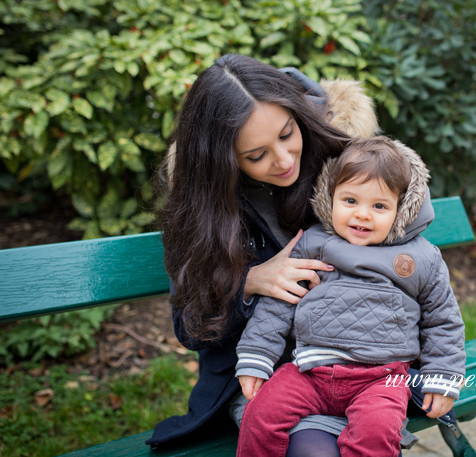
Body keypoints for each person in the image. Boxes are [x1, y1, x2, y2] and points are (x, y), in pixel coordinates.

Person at [146, 53, 380, 455]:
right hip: (265, 374)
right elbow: (190, 325)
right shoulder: (201, 205)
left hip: (360, 357)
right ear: (223, 161)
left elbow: (402, 223)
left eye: (288, 134)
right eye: (256, 156)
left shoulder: (337, 151)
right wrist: (250, 281)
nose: (285, 160)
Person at [235, 136, 467, 457]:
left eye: (379, 206)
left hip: (381, 379)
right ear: (331, 197)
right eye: (350, 201)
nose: (362, 215)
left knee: (377, 433)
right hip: (309, 372)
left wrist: (442, 378)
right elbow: (279, 302)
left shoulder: (422, 258)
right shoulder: (314, 243)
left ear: (402, 209)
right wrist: (256, 357)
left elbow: (443, 321)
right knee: (260, 415)